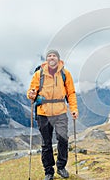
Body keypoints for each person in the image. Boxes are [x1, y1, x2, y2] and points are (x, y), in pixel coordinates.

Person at [27, 49, 78, 180]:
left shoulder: (65, 74)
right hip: (43, 112)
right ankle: (48, 171)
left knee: (63, 139)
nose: (52, 57)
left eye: (54, 55)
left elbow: (71, 93)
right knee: (46, 143)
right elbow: (31, 92)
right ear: (46, 59)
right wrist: (31, 95)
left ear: (58, 59)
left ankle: (61, 167)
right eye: (49, 56)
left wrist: (74, 109)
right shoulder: (39, 74)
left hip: (60, 112)